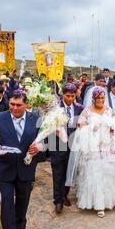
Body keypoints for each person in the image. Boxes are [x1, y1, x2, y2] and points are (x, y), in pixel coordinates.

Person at [66, 87, 115, 218]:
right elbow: (80, 125)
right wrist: (91, 127)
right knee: (97, 174)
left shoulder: (109, 110)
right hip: (93, 147)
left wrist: (113, 128)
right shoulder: (87, 111)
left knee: (112, 172)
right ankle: (99, 204)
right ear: (94, 98)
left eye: (103, 98)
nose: (101, 100)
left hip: (110, 145)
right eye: (98, 98)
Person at [0, 92, 43, 229]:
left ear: (26, 105)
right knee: (6, 200)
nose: (14, 108)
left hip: (26, 167)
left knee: (23, 198)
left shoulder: (36, 119)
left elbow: (46, 142)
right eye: (12, 104)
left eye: (18, 105)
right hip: (4, 168)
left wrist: (39, 148)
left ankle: (21, 225)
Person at [48, 83, 84, 214]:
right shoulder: (55, 108)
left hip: (73, 146)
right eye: (67, 96)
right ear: (63, 94)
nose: (70, 99)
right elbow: (48, 125)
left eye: (73, 96)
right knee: (58, 174)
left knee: (69, 172)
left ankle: (64, 194)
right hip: (57, 145)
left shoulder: (80, 108)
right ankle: (57, 201)